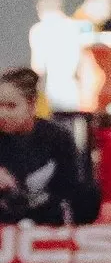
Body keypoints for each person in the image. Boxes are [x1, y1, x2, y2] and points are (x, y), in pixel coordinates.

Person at [0, 68, 94, 225]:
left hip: (46, 207)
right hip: (6, 208)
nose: (2, 114)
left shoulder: (57, 136)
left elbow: (71, 184)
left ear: (31, 105)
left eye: (11, 106)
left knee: (90, 195)